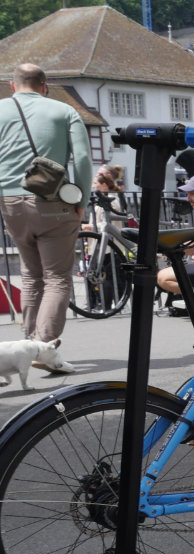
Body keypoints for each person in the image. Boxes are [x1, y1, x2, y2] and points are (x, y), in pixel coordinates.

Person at [0, 64, 91, 372]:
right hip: (53, 202)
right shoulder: (64, 111)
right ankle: (44, 347)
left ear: (13, 86)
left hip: (10, 202)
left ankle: (29, 343)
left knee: (30, 275)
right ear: (44, 85)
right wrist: (82, 199)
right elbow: (81, 159)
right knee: (57, 277)